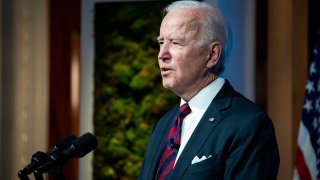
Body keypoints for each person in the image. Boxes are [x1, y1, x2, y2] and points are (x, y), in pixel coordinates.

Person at [138, 0, 280, 179]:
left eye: (175, 43)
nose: (162, 55)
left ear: (212, 54)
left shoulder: (248, 124)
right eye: (161, 42)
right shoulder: (163, 125)